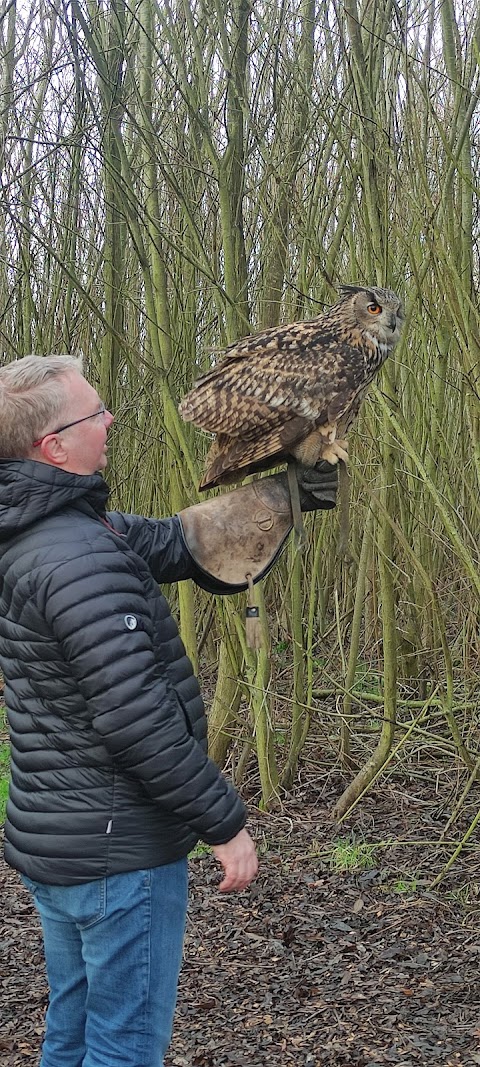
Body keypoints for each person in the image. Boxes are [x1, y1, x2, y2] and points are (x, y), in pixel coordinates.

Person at [0, 354, 338, 1067]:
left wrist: (288, 492)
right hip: (114, 851)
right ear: (54, 447)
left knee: (74, 1030)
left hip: (61, 840)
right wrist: (223, 821)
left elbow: (175, 541)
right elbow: (138, 717)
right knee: (124, 1048)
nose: (111, 418)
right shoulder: (78, 558)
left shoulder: (45, 530)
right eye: (94, 413)